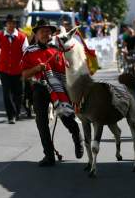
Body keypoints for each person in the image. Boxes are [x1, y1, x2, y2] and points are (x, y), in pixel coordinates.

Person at [21, 19, 84, 167]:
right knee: (41, 122)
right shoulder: (29, 52)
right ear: (36, 34)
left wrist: (69, 65)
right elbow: (24, 74)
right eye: (42, 31)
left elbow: (68, 69)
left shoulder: (58, 49)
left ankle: (77, 136)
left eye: (48, 31)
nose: (45, 34)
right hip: (40, 88)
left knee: (66, 116)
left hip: (59, 88)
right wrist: (37, 69)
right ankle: (49, 156)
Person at [0, 14, 29, 124]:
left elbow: (26, 53)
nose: (11, 25)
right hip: (4, 70)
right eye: (9, 23)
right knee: (6, 94)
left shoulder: (22, 37)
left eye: (13, 23)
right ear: (6, 24)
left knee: (19, 94)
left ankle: (16, 112)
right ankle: (10, 116)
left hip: (18, 70)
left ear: (16, 24)